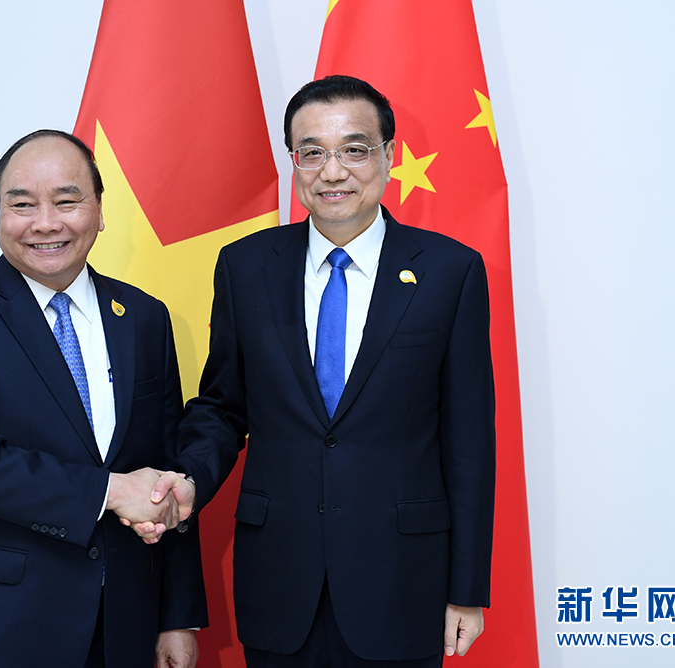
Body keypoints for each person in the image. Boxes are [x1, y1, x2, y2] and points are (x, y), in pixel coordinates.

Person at [147, 75, 496, 667]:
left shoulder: (449, 271)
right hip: (280, 580)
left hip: (402, 582)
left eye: (354, 150)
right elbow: (223, 407)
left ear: (388, 155)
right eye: (312, 153)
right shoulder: (245, 267)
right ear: (294, 161)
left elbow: (469, 444)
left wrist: (467, 589)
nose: (332, 172)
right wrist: (189, 479)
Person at [0, 130, 206, 668]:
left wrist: (176, 616)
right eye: (22, 205)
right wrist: (111, 492)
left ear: (99, 211)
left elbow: (165, 466)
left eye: (66, 201)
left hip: (121, 626)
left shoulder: (143, 317)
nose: (45, 223)